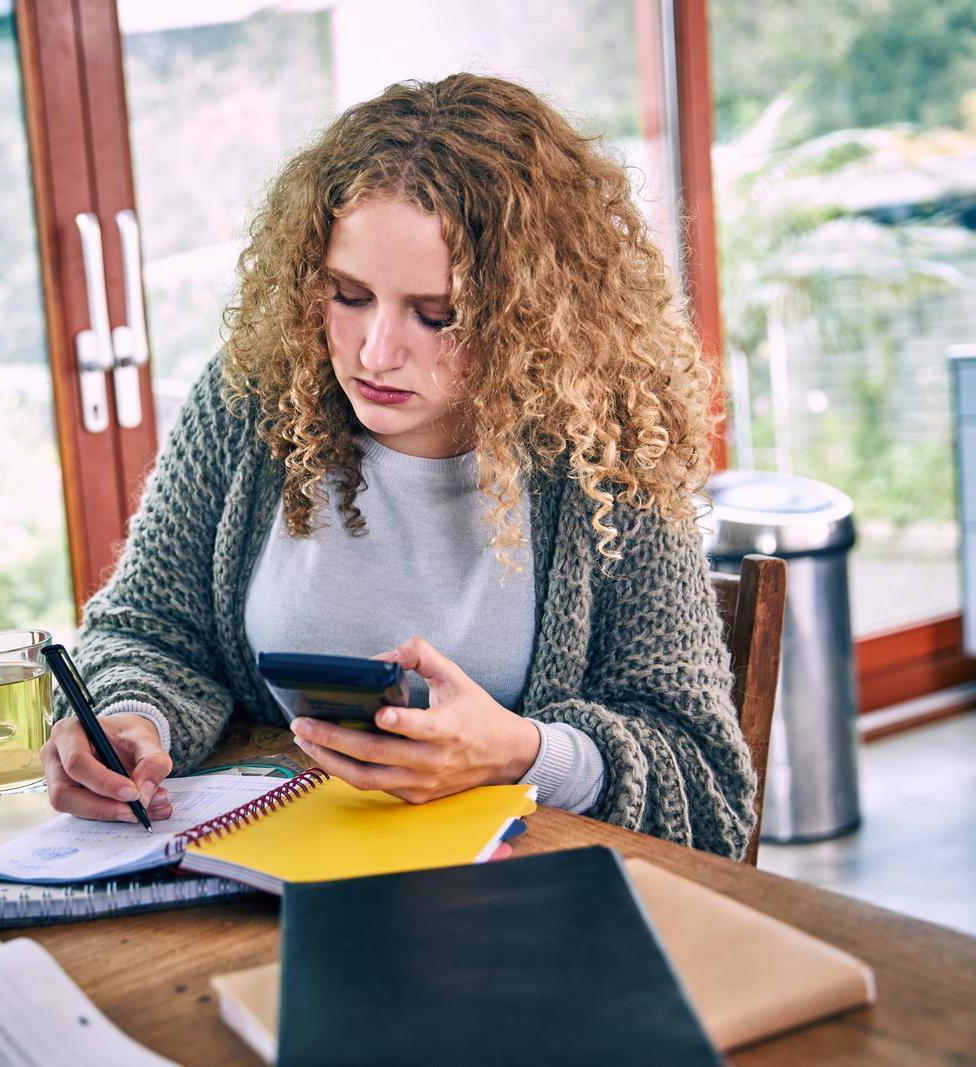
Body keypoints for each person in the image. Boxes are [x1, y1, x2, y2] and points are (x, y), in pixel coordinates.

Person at [39, 73, 757, 859]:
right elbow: (150, 630)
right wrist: (129, 717)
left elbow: (706, 787)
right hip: (267, 876)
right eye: (347, 295)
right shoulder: (254, 398)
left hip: (513, 904)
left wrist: (521, 753)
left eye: (437, 314)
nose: (376, 351)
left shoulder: (604, 449)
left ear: (533, 313)